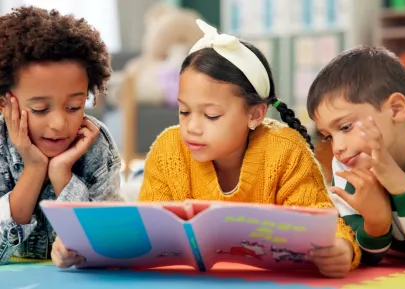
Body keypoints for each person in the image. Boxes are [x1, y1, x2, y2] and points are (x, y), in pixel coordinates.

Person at [139, 19, 360, 278]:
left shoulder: (286, 151)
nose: (192, 127)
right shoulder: (168, 149)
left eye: (211, 115)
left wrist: (341, 248)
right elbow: (147, 226)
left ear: (255, 114)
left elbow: (322, 217)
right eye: (184, 111)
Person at [0, 6, 122, 267]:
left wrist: (62, 175)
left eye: (74, 107)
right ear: (3, 104)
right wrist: (34, 168)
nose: (58, 124)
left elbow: (113, 242)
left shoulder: (95, 141)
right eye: (40, 109)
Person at [307, 45, 405, 270]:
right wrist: (376, 223)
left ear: (396, 109)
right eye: (328, 136)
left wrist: (399, 185)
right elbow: (364, 257)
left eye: (346, 127)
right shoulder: (346, 165)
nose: (337, 148)